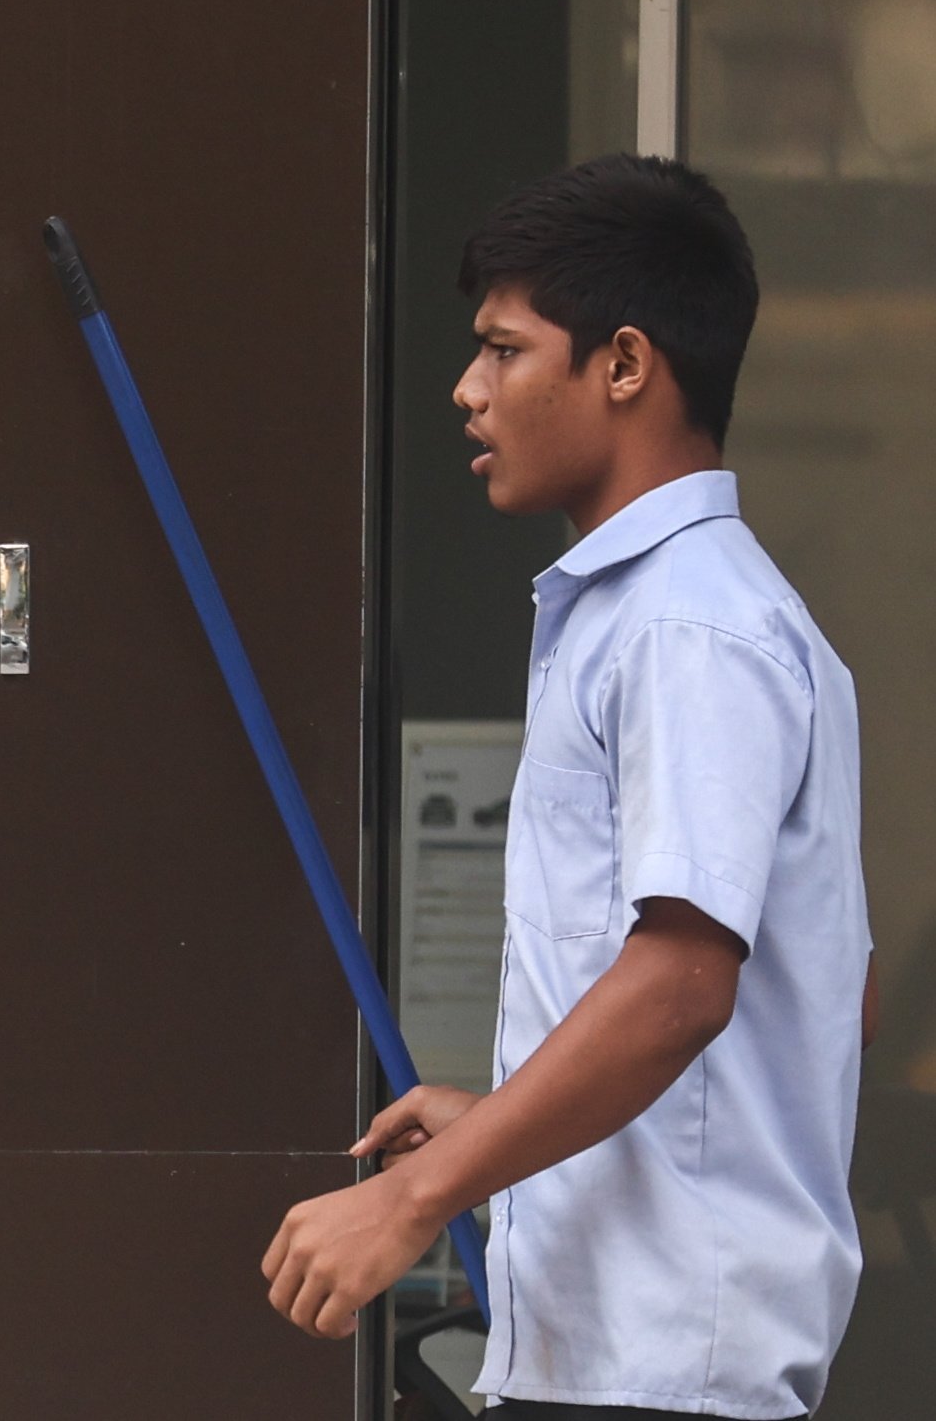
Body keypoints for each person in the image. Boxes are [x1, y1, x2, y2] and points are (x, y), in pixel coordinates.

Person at [259, 154, 877, 1420]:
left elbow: (678, 983)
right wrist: (501, 1125)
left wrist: (411, 1200)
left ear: (625, 364)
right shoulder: (650, 612)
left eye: (501, 350)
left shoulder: (688, 626)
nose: (466, 390)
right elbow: (762, 1008)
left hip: (662, 1376)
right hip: (617, 1361)